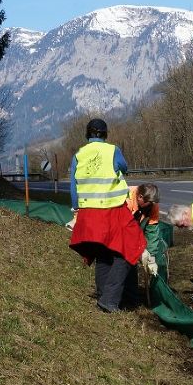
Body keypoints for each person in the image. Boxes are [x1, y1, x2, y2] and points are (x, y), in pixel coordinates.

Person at [69, 118, 145, 312]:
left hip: (87, 213)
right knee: (131, 247)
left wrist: (77, 210)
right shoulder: (113, 150)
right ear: (105, 134)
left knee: (103, 253)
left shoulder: (78, 155)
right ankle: (110, 299)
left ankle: (104, 296)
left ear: (87, 134)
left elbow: (73, 188)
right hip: (111, 211)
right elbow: (124, 167)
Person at [126, 183, 168, 280]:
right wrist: (139, 248)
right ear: (140, 197)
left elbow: (152, 230)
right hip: (117, 232)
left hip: (132, 226)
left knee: (132, 265)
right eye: (149, 204)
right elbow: (125, 230)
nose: (151, 207)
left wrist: (151, 256)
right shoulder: (126, 200)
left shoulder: (152, 204)